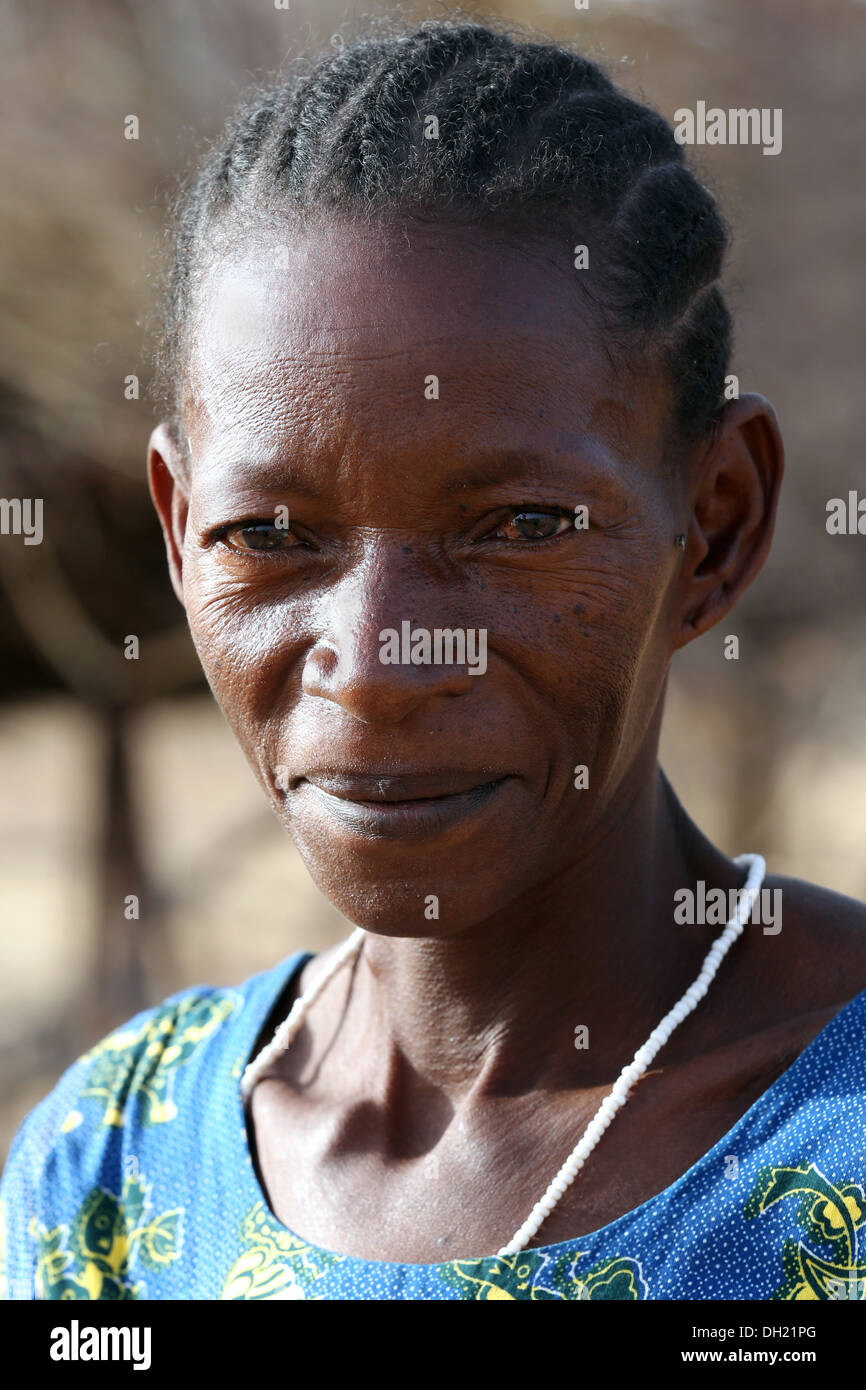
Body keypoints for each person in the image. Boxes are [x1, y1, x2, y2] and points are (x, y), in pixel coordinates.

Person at [2, 16, 865, 1302]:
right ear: (181, 538)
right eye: (272, 535)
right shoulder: (112, 1169)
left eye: (519, 526)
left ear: (717, 525)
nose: (380, 658)